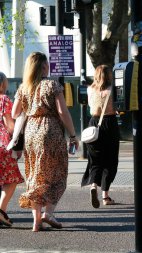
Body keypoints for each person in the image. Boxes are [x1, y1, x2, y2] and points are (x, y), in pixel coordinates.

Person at [12, 52, 79, 232]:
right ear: (42, 67)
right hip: (51, 131)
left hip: (31, 132)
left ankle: (36, 221)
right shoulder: (52, 84)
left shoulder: (23, 88)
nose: (48, 67)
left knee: (35, 174)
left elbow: (14, 113)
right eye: (47, 64)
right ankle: (48, 212)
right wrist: (73, 135)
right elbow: (63, 111)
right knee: (57, 172)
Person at [81, 65, 120, 208]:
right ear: (108, 75)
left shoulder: (90, 89)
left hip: (93, 124)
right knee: (110, 160)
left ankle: (93, 185)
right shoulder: (113, 90)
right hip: (109, 124)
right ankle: (105, 196)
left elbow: (91, 105)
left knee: (95, 160)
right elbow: (118, 107)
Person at [0, 72, 24, 227]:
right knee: (11, 179)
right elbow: (10, 125)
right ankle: (1, 210)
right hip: (2, 144)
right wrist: (18, 143)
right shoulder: (4, 99)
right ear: (2, 83)